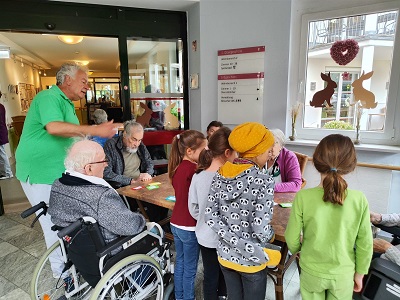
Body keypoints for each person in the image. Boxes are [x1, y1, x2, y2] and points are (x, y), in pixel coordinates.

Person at [15, 62, 118, 274]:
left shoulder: (67, 104)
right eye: (84, 81)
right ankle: (61, 274)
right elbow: (54, 127)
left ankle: (75, 265)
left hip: (58, 172)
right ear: (67, 80)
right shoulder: (48, 97)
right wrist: (94, 128)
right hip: (40, 172)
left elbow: (73, 136)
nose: (87, 86)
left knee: (68, 223)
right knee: (53, 226)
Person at [285, 134, 373, 300]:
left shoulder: (303, 197)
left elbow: (291, 237)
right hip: (343, 274)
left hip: (311, 270)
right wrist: (360, 273)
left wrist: (298, 251)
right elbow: (365, 243)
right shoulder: (359, 199)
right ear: (351, 165)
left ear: (317, 162)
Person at [48, 139, 146, 285]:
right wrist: (143, 220)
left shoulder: (58, 185)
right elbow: (130, 226)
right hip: (108, 253)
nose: (107, 164)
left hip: (78, 251)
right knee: (153, 231)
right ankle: (145, 278)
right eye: (103, 160)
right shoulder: (100, 196)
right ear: (89, 169)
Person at [205, 122, 281, 300]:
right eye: (268, 150)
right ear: (258, 152)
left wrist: (233, 241)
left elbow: (210, 215)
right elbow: (259, 227)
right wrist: (270, 236)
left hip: (225, 255)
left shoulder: (221, 173)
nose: (270, 154)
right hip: (251, 260)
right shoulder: (264, 180)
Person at [189, 127, 236, 300]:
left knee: (210, 276)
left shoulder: (198, 176)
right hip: (226, 238)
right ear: (227, 152)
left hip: (205, 236)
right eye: (235, 152)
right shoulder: (231, 178)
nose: (236, 156)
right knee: (226, 274)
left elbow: (193, 208)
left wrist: (203, 220)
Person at [168, 130, 207, 300]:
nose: (206, 153)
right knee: (190, 268)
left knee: (181, 264)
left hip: (175, 222)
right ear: (189, 151)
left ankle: (180, 296)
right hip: (189, 226)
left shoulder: (176, 167)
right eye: (203, 150)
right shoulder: (194, 170)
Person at [103, 121, 167, 221]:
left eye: (140, 140)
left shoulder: (140, 145)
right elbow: (106, 173)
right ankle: (155, 226)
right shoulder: (111, 145)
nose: (136, 144)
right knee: (151, 204)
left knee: (161, 198)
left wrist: (148, 174)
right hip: (124, 185)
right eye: (134, 140)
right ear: (125, 134)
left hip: (142, 182)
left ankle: (161, 225)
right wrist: (130, 181)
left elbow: (149, 162)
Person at [0, 103, 13, 179]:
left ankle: (8, 173)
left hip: (1, 134)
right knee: (1, 154)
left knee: (2, 153)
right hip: (2, 132)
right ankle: (4, 172)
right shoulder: (1, 106)